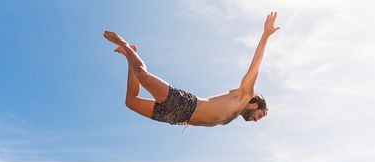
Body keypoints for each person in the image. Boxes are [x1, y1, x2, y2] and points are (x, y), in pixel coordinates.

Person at [103, 11, 279, 127]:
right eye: (260, 115)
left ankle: (130, 54)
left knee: (130, 102)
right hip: (185, 105)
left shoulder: (234, 114)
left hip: (178, 118)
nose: (257, 119)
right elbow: (255, 66)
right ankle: (124, 44)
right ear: (255, 104)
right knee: (142, 75)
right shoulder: (244, 95)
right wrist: (265, 36)